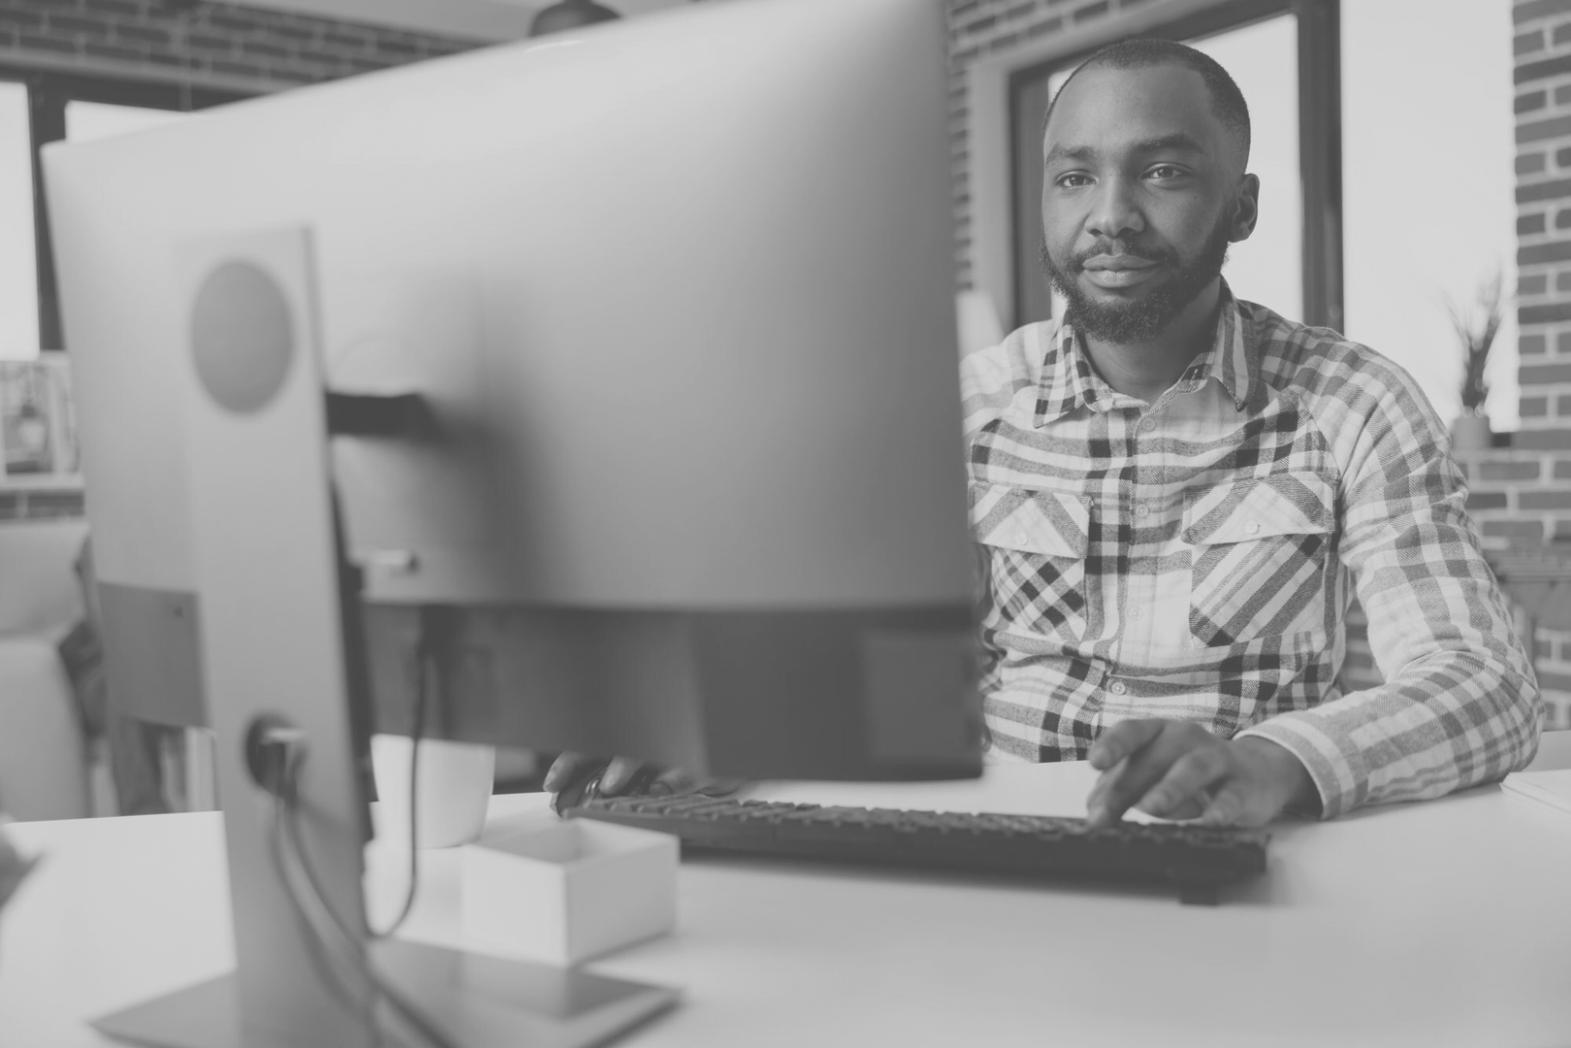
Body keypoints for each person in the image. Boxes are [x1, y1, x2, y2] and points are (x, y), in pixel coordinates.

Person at [547, 39, 1542, 826]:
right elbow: (895, 678)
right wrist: (744, 732)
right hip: (985, 854)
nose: (1109, 215)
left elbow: (1485, 687)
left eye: (1159, 172)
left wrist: (1272, 763)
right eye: (1073, 178)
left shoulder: (1352, 402)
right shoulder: (969, 405)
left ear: (1239, 208)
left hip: (1233, 851)